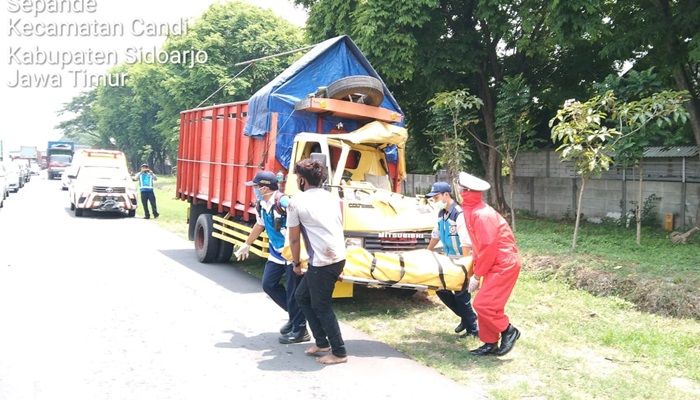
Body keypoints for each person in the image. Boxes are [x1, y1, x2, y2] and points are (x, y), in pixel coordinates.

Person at [234, 171, 308, 344]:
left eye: (255, 187)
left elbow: (300, 221)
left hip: (291, 253)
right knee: (269, 285)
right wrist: (247, 244)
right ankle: (294, 317)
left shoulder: (283, 202)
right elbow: (259, 225)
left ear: (264, 188)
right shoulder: (261, 204)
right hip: (276, 253)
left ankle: (300, 329)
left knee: (293, 291)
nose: (254, 190)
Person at [288, 158, 348, 365]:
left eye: (297, 177)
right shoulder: (333, 198)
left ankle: (339, 352)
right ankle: (322, 343)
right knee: (302, 296)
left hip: (323, 261)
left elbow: (294, 238)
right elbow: (339, 226)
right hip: (337, 256)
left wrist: (296, 264)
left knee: (321, 306)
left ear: (303, 180)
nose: (297, 181)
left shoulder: (296, 202)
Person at [459, 172, 521, 356]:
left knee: (483, 304)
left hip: (503, 263)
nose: (459, 191)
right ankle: (490, 343)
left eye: (461, 189)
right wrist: (475, 270)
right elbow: (479, 246)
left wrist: (477, 275)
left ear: (467, 191)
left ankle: (509, 330)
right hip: (496, 262)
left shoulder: (481, 214)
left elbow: (488, 247)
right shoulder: (473, 210)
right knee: (489, 304)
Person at [425, 181, 479, 338]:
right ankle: (466, 318)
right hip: (448, 260)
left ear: (446, 195)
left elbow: (466, 243)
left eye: (436, 197)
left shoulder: (459, 214)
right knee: (441, 290)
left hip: (461, 260)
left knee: (461, 295)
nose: (434, 200)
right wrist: (427, 252)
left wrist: (465, 266)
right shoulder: (441, 213)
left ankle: (473, 329)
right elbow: (436, 235)